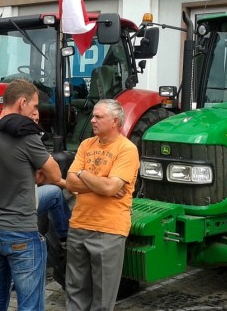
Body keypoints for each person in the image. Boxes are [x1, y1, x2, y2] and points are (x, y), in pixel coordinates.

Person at [0, 79, 62, 310]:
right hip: (19, 233)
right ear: (22, 103)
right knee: (29, 305)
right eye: (34, 107)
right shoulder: (27, 137)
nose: (36, 112)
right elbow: (54, 175)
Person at [64, 99, 139, 311]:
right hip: (79, 225)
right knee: (75, 291)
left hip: (109, 230)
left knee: (103, 299)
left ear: (115, 121)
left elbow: (110, 189)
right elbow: (70, 183)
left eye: (98, 117)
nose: (92, 120)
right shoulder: (86, 145)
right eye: (93, 116)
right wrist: (102, 182)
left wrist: (84, 174)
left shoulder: (127, 149)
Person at [30, 109, 70, 245]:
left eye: (37, 121)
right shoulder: (30, 141)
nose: (35, 124)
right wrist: (74, 187)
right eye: (32, 120)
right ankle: (65, 237)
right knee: (55, 192)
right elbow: (55, 176)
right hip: (21, 205)